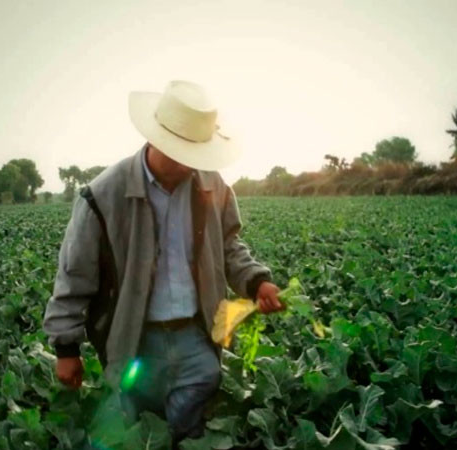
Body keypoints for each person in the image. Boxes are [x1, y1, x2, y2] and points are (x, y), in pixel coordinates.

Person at [42, 80, 284, 444]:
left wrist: (256, 281)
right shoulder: (103, 195)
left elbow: (230, 245)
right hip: (134, 337)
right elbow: (75, 276)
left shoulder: (211, 185)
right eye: (185, 154)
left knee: (193, 418)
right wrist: (66, 348)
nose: (193, 164)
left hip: (195, 334)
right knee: (136, 427)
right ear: (158, 140)